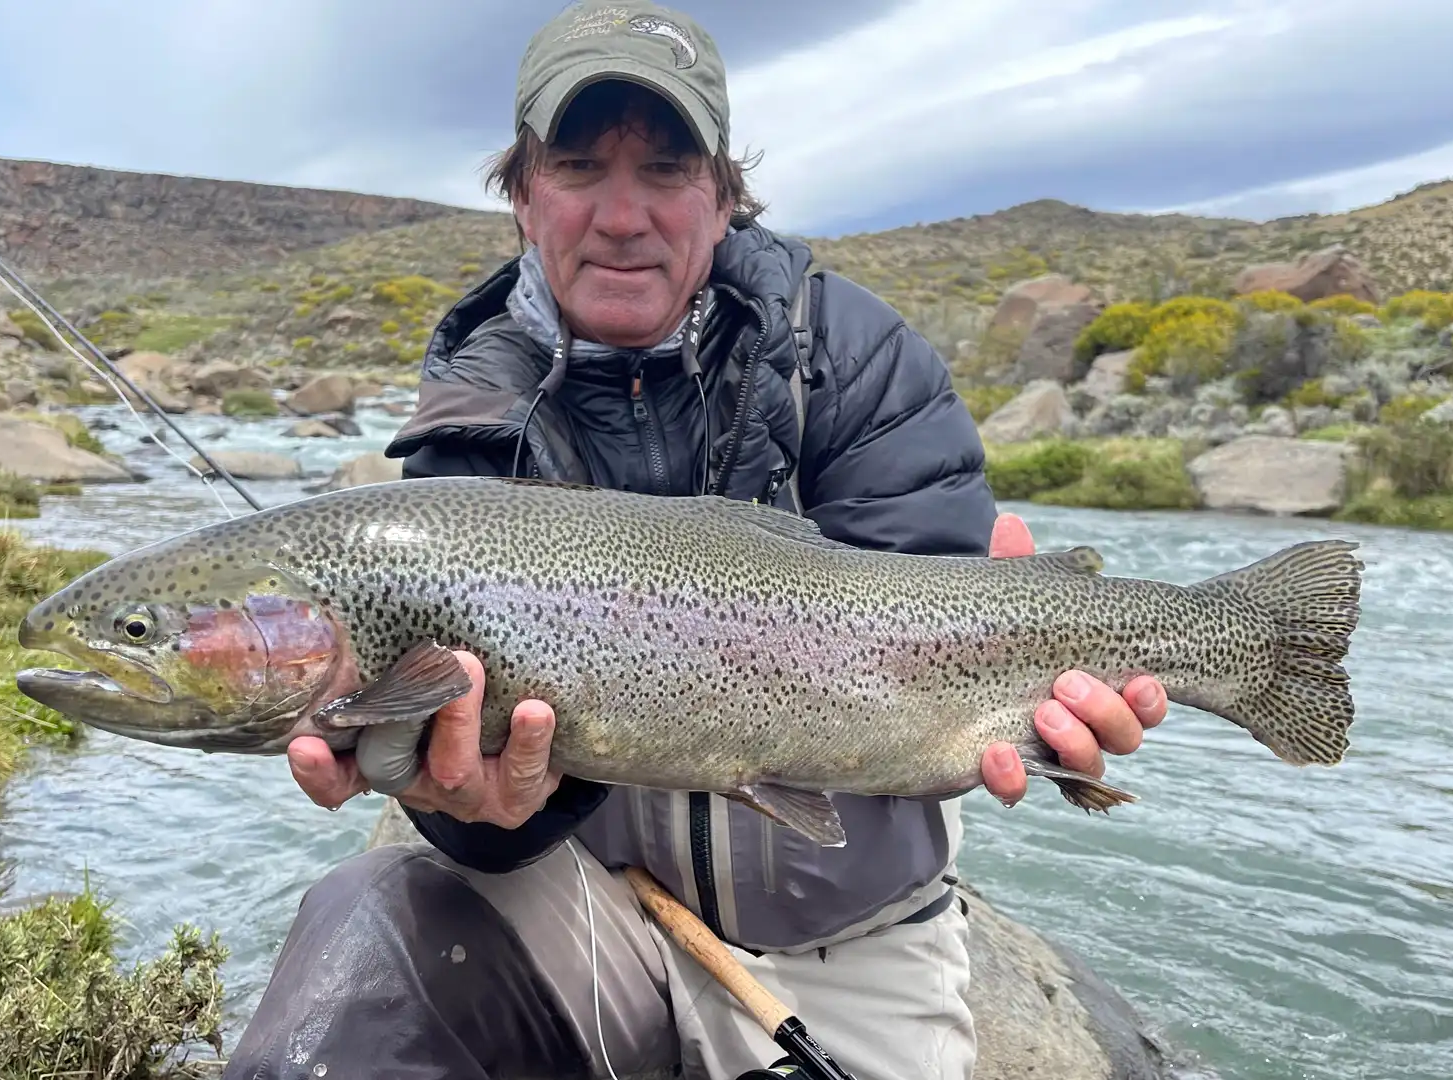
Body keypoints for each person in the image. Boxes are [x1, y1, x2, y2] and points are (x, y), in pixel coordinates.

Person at [226, 4, 1168, 1078]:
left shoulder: (854, 362)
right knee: (357, 952)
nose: (622, 215)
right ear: (525, 194)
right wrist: (475, 815)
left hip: (848, 942)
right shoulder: (471, 417)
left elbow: (934, 653)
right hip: (580, 900)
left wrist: (1044, 728)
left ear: (723, 196)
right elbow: (479, 793)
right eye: (580, 167)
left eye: (666, 170)